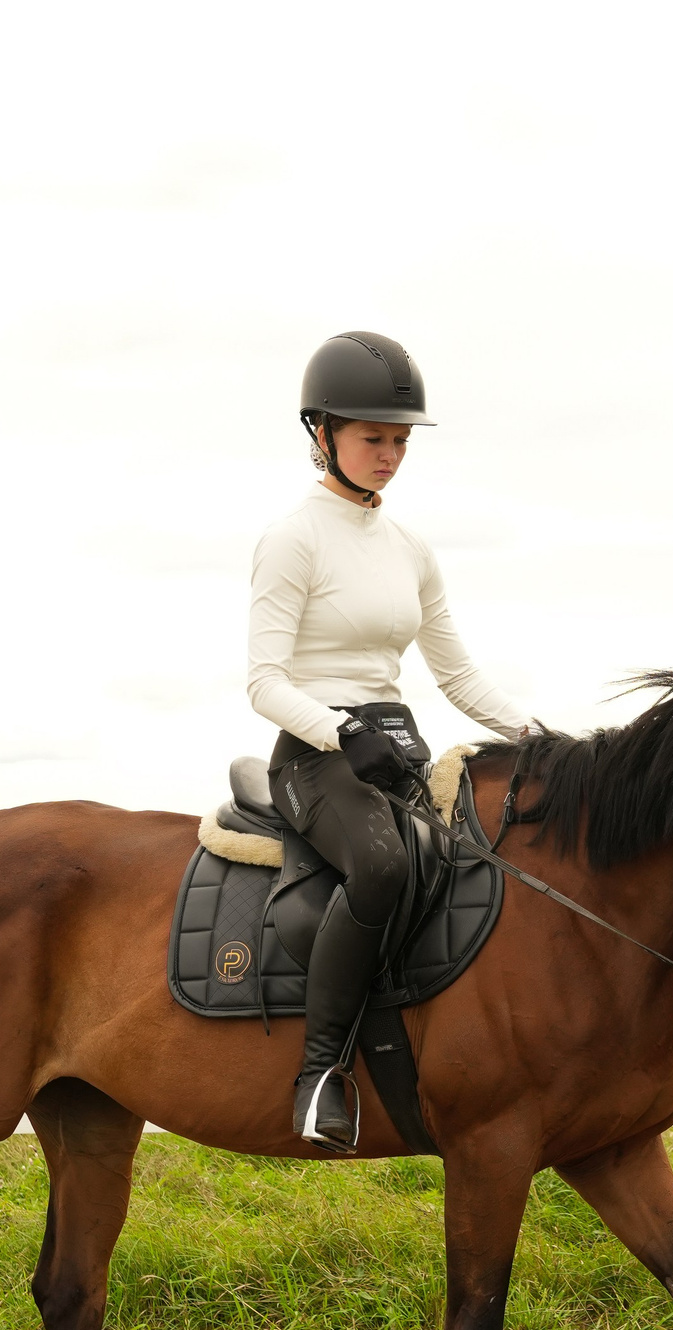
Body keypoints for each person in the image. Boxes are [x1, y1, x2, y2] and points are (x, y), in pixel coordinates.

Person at [248, 331, 535, 1152]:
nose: (390, 454)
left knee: (468, 861)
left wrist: (535, 733)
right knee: (380, 862)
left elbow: (456, 676)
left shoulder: (411, 549)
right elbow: (263, 680)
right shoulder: (292, 539)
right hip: (313, 760)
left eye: (401, 440)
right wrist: (338, 730)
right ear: (322, 432)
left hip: (393, 750)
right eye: (374, 437)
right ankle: (318, 1075)